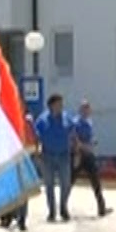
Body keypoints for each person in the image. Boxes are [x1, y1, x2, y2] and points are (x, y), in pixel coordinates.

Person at [33, 93, 76, 223]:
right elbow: (36, 137)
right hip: (48, 155)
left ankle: (63, 207)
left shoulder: (67, 117)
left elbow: (73, 134)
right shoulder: (42, 120)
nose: (61, 107)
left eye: (61, 104)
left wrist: (76, 150)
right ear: (51, 105)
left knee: (66, 183)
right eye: (58, 104)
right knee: (49, 184)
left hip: (64, 155)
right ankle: (52, 211)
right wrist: (37, 152)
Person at [69, 99, 112, 218]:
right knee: (70, 181)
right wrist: (83, 147)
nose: (87, 111)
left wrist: (92, 143)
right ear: (80, 110)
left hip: (89, 155)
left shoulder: (89, 122)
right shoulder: (75, 123)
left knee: (96, 181)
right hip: (78, 154)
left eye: (88, 108)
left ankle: (102, 208)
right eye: (84, 108)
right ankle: (62, 207)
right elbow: (74, 138)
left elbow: (89, 137)